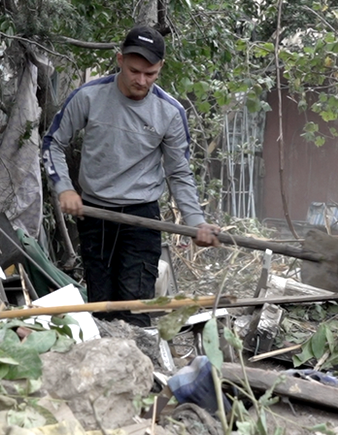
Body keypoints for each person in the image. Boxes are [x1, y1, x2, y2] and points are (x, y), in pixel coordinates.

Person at [42, 25, 220, 324]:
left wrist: (196, 221)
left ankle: (138, 363)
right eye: (135, 71)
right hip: (94, 212)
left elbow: (178, 172)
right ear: (120, 60)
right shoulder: (89, 97)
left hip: (142, 217)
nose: (141, 80)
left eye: (150, 74)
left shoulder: (169, 112)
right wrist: (64, 188)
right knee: (101, 305)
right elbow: (53, 143)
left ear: (160, 68)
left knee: (135, 305)